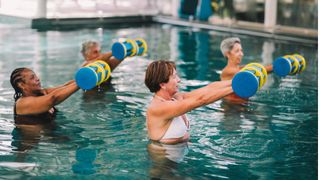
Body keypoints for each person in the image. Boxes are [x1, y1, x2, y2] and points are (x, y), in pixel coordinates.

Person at [144, 60, 233, 145]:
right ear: (162, 85)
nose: (179, 80)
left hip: (181, 154)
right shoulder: (158, 108)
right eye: (174, 77)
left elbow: (209, 88)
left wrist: (235, 81)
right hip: (166, 160)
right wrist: (235, 88)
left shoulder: (176, 98)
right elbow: (201, 100)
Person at [10, 67, 79, 124]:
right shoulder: (22, 103)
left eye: (36, 76)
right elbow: (54, 98)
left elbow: (65, 87)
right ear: (21, 85)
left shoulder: (41, 92)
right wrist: (81, 82)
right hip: (34, 139)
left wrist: (86, 73)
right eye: (32, 78)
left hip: (50, 135)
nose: (37, 79)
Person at [220, 37, 273, 102]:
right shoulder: (227, 71)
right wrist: (279, 65)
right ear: (228, 54)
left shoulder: (240, 68)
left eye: (241, 50)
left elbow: (260, 69)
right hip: (231, 108)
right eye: (237, 51)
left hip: (242, 106)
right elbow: (258, 71)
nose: (241, 54)